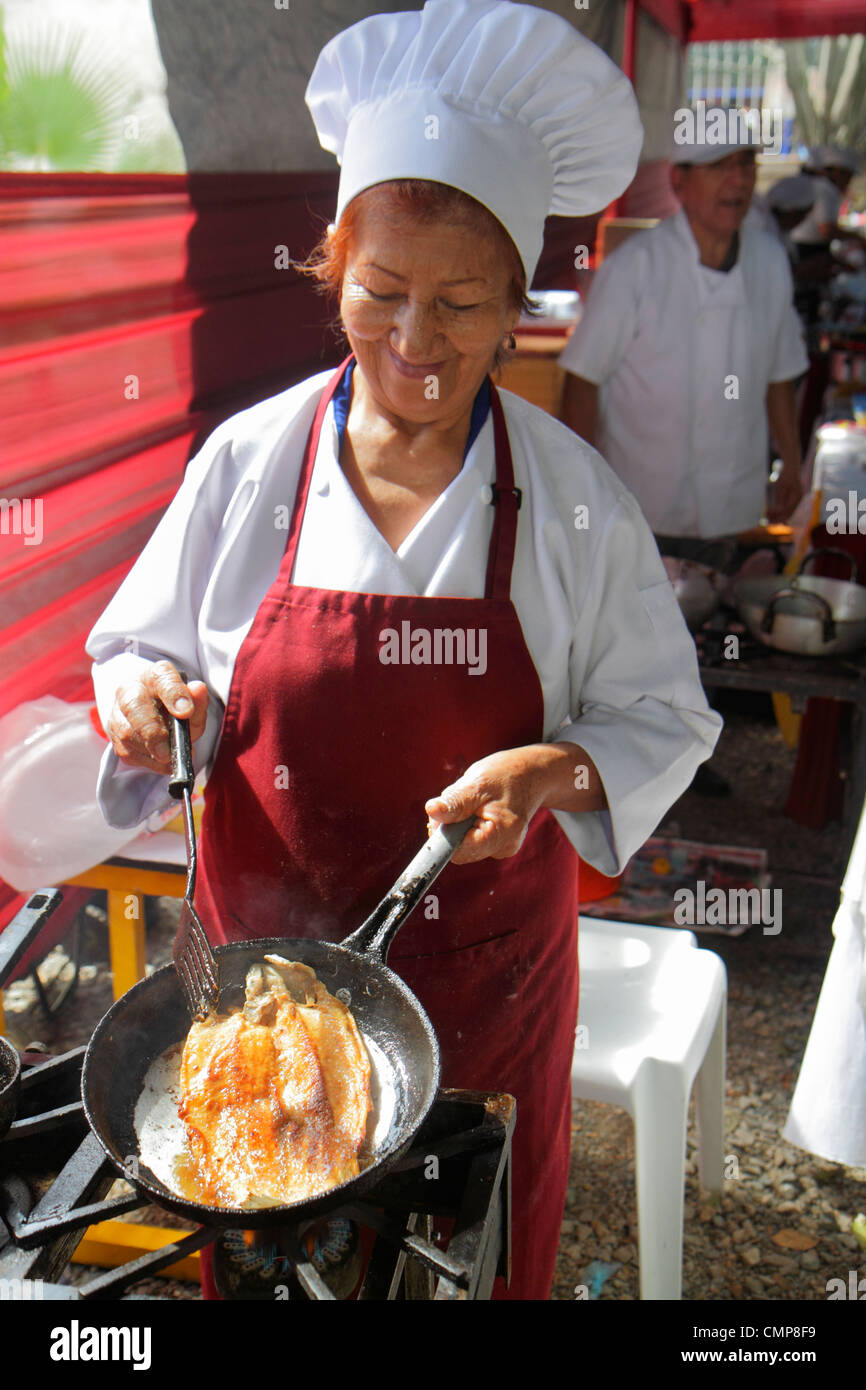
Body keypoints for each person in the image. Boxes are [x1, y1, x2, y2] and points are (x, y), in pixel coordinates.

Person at [86, 0, 720, 1300]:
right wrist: (141, 697)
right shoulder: (246, 464)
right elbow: (134, 646)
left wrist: (553, 770)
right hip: (256, 1004)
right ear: (331, 274)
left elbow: (664, 717)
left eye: (460, 304)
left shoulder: (573, 498)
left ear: (516, 316)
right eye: (379, 294)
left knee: (464, 1270)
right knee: (267, 1254)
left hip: (482, 998)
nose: (416, 344)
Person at [559, 141, 809, 571]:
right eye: (719, 167)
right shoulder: (636, 266)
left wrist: (791, 462)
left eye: (746, 164)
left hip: (730, 506)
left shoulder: (770, 263)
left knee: (711, 616)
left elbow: (779, 375)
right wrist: (580, 489)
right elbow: (583, 379)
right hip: (640, 506)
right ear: (679, 181)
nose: (738, 180)